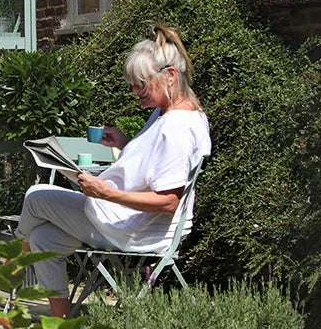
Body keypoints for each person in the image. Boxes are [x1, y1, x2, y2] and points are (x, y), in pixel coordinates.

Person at [15, 23, 210, 318]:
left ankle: (13, 263)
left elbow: (169, 202)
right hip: (127, 220)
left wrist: (106, 192)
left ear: (170, 76)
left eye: (141, 83)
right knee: (44, 238)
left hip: (136, 229)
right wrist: (125, 142)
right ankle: (60, 321)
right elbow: (157, 166)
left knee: (36, 195)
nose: (135, 91)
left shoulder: (176, 128)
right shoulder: (171, 113)